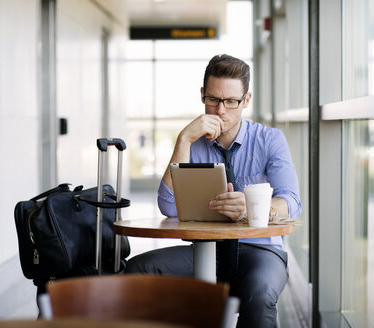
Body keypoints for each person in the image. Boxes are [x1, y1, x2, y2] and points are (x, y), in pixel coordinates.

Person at [125, 54, 301, 328]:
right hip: (207, 249)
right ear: (202, 96)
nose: (221, 110)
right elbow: (168, 206)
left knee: (261, 292)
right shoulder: (192, 143)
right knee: (139, 270)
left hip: (260, 250)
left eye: (231, 101)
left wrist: (253, 208)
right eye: (213, 100)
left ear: (246, 100)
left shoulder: (269, 140)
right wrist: (183, 139)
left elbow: (291, 202)